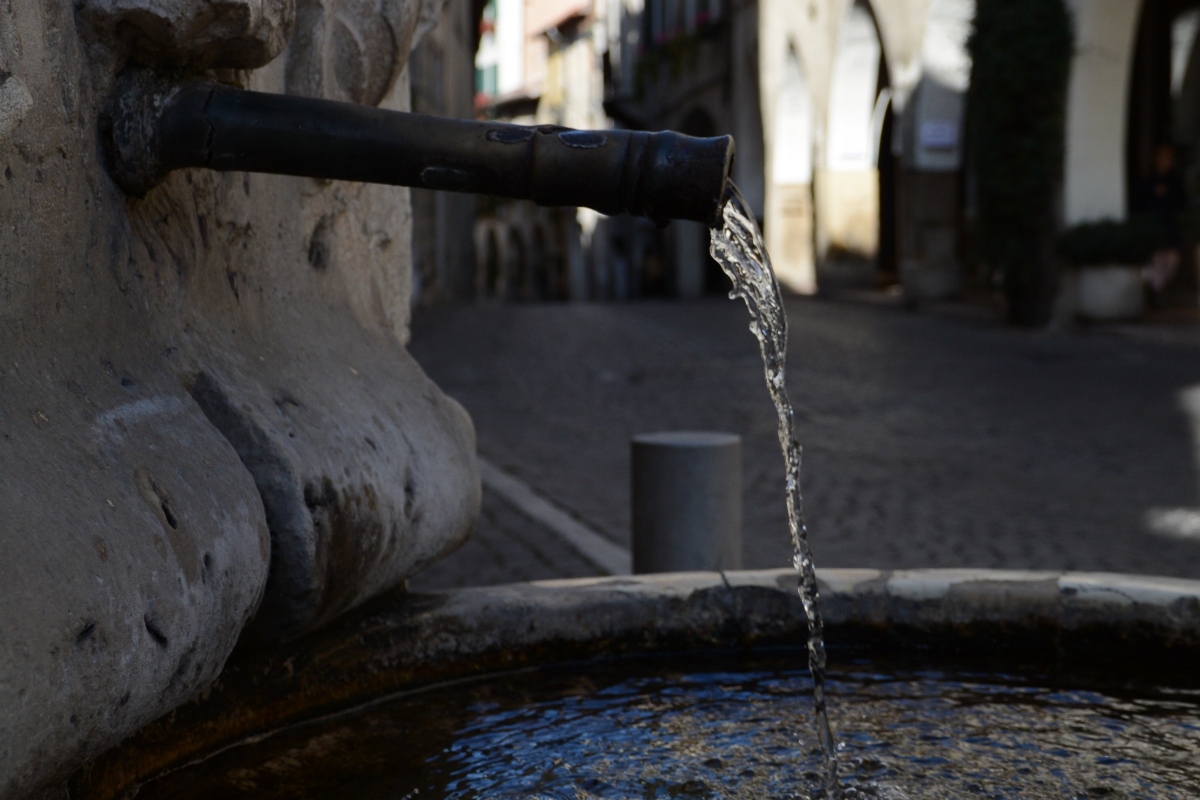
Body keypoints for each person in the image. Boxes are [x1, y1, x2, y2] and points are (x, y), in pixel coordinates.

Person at [1136, 143, 1188, 299]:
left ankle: (1161, 290)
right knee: (1156, 260)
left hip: (1170, 225)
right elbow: (1140, 203)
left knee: (1173, 259)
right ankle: (1156, 293)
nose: (1165, 161)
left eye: (1168, 158)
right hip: (1153, 226)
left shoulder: (1175, 180)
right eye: (1162, 157)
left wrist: (1168, 195)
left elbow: (1182, 202)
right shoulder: (1148, 179)